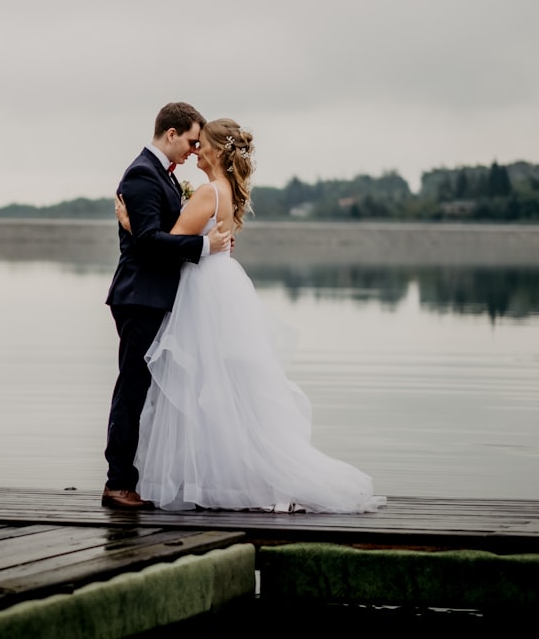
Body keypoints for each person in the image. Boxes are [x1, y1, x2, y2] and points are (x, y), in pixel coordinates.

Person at [116, 117, 385, 513]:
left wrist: (129, 224)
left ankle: (207, 478)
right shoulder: (225, 191)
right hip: (219, 285)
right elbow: (194, 240)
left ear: (216, 151)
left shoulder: (208, 192)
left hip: (204, 289)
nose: (195, 150)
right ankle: (222, 476)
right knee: (219, 385)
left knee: (202, 385)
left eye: (200, 144)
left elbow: (165, 242)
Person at [102, 102, 232, 510]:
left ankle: (139, 478)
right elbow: (147, 242)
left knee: (148, 389)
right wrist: (203, 245)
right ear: (171, 134)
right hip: (139, 296)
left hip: (155, 295)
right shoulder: (143, 173)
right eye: (192, 141)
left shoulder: (163, 176)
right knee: (132, 388)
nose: (194, 150)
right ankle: (118, 483)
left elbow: (148, 234)